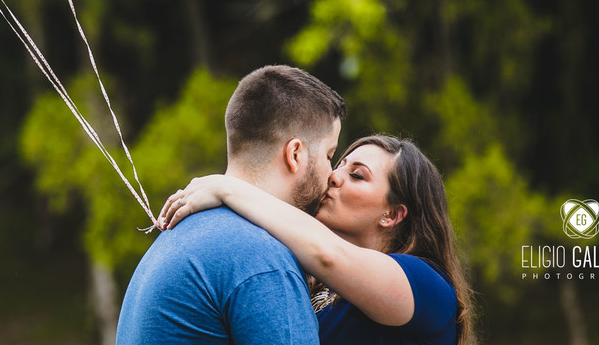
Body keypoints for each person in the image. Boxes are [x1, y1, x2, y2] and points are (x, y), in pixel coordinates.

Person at [160, 134, 474, 345]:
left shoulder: (428, 287)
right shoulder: (322, 291)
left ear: (392, 215)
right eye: (338, 164)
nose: (334, 177)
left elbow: (328, 254)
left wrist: (227, 188)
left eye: (357, 175)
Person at [115, 65, 347, 345]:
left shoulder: (181, 236)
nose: (332, 174)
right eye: (330, 155)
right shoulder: (262, 258)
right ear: (295, 154)